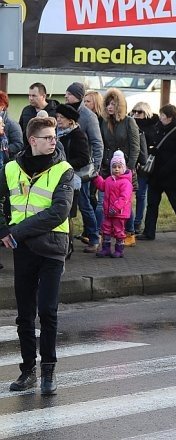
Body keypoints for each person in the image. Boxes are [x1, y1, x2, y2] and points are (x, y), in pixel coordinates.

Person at [0, 116, 74, 395]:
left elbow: (59, 212)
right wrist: (3, 229)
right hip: (24, 251)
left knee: (47, 311)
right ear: (32, 140)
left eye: (54, 137)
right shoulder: (10, 169)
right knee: (24, 315)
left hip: (53, 248)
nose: (53, 141)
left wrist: (17, 232)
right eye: (47, 137)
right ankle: (28, 371)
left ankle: (48, 372)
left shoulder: (64, 170)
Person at [137, 104, 176, 242]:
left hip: (171, 175)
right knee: (152, 203)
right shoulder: (158, 129)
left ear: (170, 117)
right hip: (156, 174)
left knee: (175, 203)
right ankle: (149, 231)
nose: (160, 118)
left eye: (163, 116)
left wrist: (165, 169)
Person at [55, 104, 98, 254]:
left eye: (62, 118)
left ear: (70, 121)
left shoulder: (78, 135)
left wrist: (65, 164)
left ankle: (94, 238)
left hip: (77, 177)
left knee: (84, 206)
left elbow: (84, 158)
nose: (58, 120)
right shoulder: (59, 133)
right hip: (63, 175)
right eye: (57, 117)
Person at [99, 88, 140, 242]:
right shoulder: (104, 122)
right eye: (108, 104)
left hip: (125, 169)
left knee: (124, 202)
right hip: (108, 168)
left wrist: (128, 169)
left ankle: (129, 232)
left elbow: (135, 147)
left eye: (113, 104)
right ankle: (108, 233)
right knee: (107, 201)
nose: (110, 107)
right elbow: (102, 143)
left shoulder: (129, 121)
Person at [93, 151, 133, 258]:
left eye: (119, 167)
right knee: (106, 229)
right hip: (108, 212)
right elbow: (102, 186)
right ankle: (106, 249)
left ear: (123, 168)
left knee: (118, 231)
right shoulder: (109, 180)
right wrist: (97, 178)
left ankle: (119, 250)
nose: (116, 169)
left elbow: (124, 197)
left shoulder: (126, 183)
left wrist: (116, 207)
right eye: (114, 167)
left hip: (119, 213)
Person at [130, 102, 159, 234]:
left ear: (146, 112)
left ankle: (137, 222)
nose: (136, 114)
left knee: (141, 194)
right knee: (127, 194)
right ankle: (129, 221)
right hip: (130, 163)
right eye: (134, 111)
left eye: (139, 112)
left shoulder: (152, 127)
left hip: (143, 164)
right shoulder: (130, 124)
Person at [63, 83, 103, 175]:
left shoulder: (89, 116)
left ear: (77, 96)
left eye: (69, 94)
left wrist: (96, 167)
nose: (66, 96)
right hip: (64, 165)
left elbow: (97, 142)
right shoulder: (63, 111)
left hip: (82, 168)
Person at [0, 91, 24, 160]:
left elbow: (19, 145)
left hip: (6, 163)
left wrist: (4, 149)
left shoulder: (12, 125)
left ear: (2, 107)